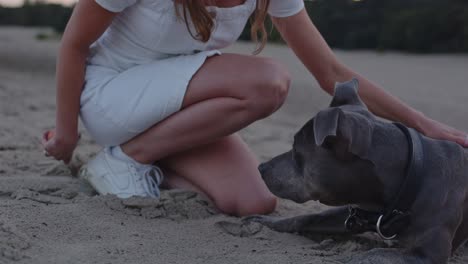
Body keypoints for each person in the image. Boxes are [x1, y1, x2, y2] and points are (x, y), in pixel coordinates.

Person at [42, 0, 468, 217]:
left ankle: (134, 163)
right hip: (111, 96)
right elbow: (74, 44)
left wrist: (420, 123)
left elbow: (331, 73)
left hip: (172, 113)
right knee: (267, 81)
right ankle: (129, 157)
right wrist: (67, 134)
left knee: (256, 201)